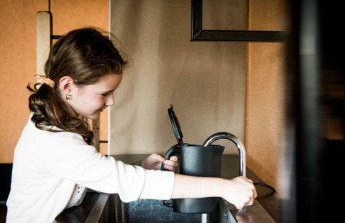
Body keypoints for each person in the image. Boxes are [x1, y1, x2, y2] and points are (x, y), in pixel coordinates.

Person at [6, 27, 257, 223]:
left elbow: (89, 174)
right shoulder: (53, 140)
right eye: (105, 93)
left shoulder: (57, 122)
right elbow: (129, 183)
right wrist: (224, 187)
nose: (111, 101)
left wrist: (140, 167)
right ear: (68, 87)